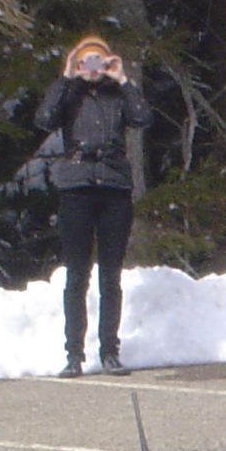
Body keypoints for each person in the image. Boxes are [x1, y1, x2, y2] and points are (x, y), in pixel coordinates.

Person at [35, 36, 150, 376]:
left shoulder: (118, 94)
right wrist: (67, 76)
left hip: (114, 188)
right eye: (86, 61)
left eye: (99, 60)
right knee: (76, 274)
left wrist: (123, 80)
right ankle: (74, 354)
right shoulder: (70, 94)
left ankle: (110, 351)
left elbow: (143, 118)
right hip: (77, 188)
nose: (93, 68)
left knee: (110, 275)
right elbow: (44, 119)